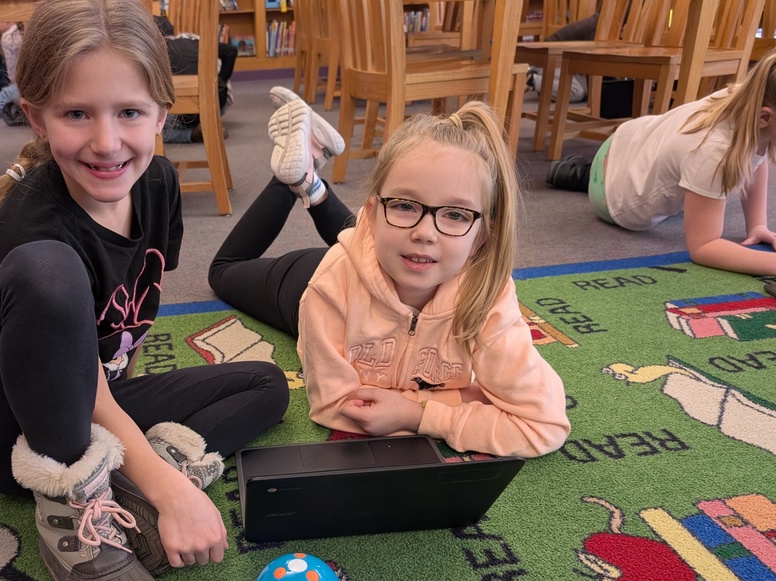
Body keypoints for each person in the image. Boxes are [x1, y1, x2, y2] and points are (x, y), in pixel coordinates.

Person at [0, 0, 289, 581]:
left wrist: (152, 475)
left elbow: (102, 362)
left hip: (88, 388)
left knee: (265, 386)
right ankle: (74, 507)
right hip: (5, 427)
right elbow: (72, 366)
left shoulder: (156, 184)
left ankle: (118, 485)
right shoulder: (32, 222)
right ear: (39, 116)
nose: (106, 142)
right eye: (77, 114)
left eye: (129, 112)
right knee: (49, 271)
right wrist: (169, 490)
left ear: (162, 111)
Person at [209, 89, 570, 459]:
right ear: (371, 215)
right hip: (305, 280)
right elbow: (335, 406)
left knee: (403, 239)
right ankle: (294, 179)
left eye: (456, 215)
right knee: (223, 272)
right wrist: (463, 398)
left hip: (387, 257)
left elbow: (544, 424)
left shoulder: (486, 295)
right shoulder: (329, 286)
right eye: (403, 204)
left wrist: (418, 415)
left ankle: (310, 175)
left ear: (481, 238)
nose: (426, 232)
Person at [546, 49, 776, 277]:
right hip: (614, 196)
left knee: (695, 182)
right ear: (765, 117)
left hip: (634, 138)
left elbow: (755, 155)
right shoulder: (714, 151)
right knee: (699, 184)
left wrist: (757, 226)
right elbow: (704, 247)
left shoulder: (749, 100)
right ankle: (579, 174)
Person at [154, 15, 238, 143]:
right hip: (214, 104)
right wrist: (221, 81)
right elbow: (231, 51)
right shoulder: (195, 41)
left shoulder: (158, 50)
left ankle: (190, 135)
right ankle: (208, 126)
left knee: (150, 130)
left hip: (181, 113)